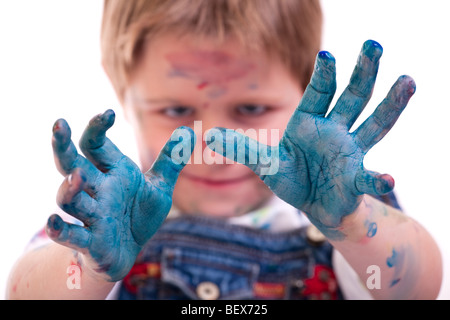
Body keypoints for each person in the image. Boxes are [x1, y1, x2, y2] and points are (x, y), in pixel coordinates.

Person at [7, 0, 442, 300]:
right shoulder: (102, 219)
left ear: (307, 86)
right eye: (176, 108)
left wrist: (350, 223)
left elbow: (417, 288)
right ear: (123, 90)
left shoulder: (347, 206)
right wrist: (93, 269)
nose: (211, 142)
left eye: (251, 108)